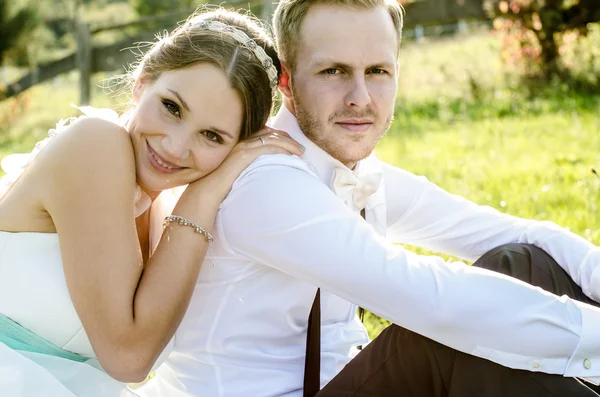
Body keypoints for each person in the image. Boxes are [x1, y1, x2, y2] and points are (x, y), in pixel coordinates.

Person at [144, 1, 600, 397]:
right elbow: (426, 294)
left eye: (377, 71)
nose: (360, 98)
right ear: (286, 81)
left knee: (522, 261)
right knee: (446, 340)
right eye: (334, 71)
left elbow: (516, 232)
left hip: (346, 380)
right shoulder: (264, 183)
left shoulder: (349, 171)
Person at [0, 8, 303, 397]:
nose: (175, 147)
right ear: (142, 83)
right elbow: (129, 358)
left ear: (235, 147)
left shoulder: (163, 213)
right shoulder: (95, 145)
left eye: (212, 136)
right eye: (172, 107)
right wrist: (204, 194)